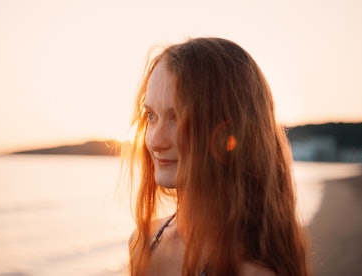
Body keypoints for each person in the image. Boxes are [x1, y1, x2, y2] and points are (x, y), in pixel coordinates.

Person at [126, 37, 311, 276]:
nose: (154, 141)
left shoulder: (250, 272)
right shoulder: (143, 244)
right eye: (151, 116)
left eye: (178, 118)